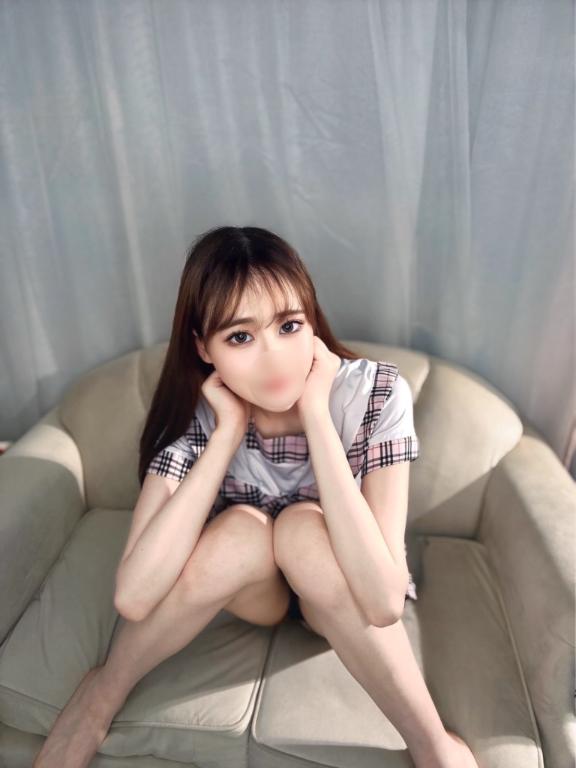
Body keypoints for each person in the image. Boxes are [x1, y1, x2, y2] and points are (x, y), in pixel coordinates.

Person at [33, 225, 478, 768]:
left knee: (300, 527)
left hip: (341, 593)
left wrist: (316, 414)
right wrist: (226, 434)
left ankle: (431, 742)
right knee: (244, 530)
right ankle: (101, 694)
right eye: (240, 338)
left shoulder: (374, 393)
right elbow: (134, 595)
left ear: (311, 320)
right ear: (204, 348)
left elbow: (383, 601)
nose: (274, 360)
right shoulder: (198, 416)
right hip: (254, 594)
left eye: (289, 326)